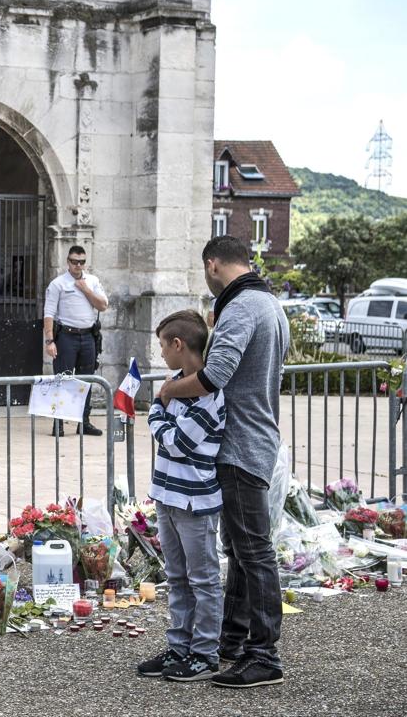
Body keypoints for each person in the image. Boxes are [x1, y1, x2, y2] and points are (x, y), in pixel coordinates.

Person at [158, 234, 290, 689]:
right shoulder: (271, 304)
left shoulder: (241, 307)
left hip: (240, 447)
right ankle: (231, 642)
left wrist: (169, 389)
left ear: (213, 265)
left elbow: (214, 376)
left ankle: (263, 654)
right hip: (256, 441)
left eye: (204, 272)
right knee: (241, 550)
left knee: (253, 552)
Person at [136, 310, 225, 683]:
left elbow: (178, 443)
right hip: (167, 495)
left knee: (203, 579)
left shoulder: (210, 395)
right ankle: (179, 645)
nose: (161, 355)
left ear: (179, 345)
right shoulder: (174, 383)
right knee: (176, 576)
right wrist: (163, 415)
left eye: (162, 346)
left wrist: (157, 412)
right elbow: (171, 435)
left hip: (195, 502)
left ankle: (205, 653)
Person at [43, 245, 109, 436]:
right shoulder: (58, 284)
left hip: (88, 336)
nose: (78, 266)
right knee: (62, 380)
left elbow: (103, 305)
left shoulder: (92, 281)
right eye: (74, 262)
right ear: (68, 262)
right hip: (66, 337)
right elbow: (49, 313)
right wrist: (49, 341)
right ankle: (58, 423)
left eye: (81, 262)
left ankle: (84, 421)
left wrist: (86, 289)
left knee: (86, 380)